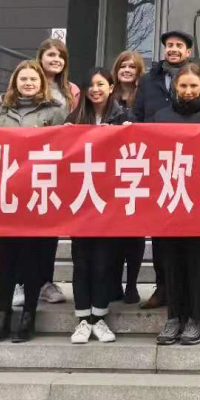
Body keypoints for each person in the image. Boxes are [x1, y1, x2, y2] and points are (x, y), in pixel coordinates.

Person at [0, 60, 68, 344]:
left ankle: (28, 317)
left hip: (39, 191)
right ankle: (3, 316)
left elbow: (64, 147)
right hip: (10, 192)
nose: (28, 83)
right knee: (6, 258)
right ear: (15, 82)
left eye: (33, 79)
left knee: (32, 258)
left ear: (41, 83)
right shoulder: (3, 111)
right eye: (23, 79)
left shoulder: (55, 110)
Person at [132, 29, 200, 310]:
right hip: (161, 168)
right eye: (169, 45)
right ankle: (163, 288)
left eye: (179, 45)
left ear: (188, 52)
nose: (173, 49)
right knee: (162, 237)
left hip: (196, 176)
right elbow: (138, 116)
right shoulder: (148, 81)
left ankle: (190, 302)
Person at [153, 64, 200, 345]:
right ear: (175, 88)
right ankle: (174, 317)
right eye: (183, 86)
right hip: (170, 200)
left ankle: (196, 318)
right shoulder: (160, 117)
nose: (188, 91)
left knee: (197, 264)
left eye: (193, 86)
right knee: (171, 263)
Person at [65, 68, 130, 345]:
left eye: (101, 84)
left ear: (111, 87)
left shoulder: (124, 117)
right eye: (90, 85)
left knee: (104, 262)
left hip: (111, 200)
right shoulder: (74, 118)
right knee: (81, 262)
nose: (95, 89)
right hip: (81, 199)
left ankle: (99, 318)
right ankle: (82, 319)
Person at [28, 38, 78, 309]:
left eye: (60, 56)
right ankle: (23, 282)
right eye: (50, 55)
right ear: (40, 57)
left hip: (60, 165)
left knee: (49, 228)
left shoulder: (71, 91)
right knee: (27, 228)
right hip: (30, 165)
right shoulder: (29, 84)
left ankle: (45, 282)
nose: (55, 60)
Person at [108, 50, 147, 305]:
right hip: (109, 171)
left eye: (132, 66)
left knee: (135, 231)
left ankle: (132, 284)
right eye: (123, 65)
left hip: (137, 167)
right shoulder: (106, 94)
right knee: (113, 231)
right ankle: (113, 283)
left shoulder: (143, 96)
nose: (127, 70)